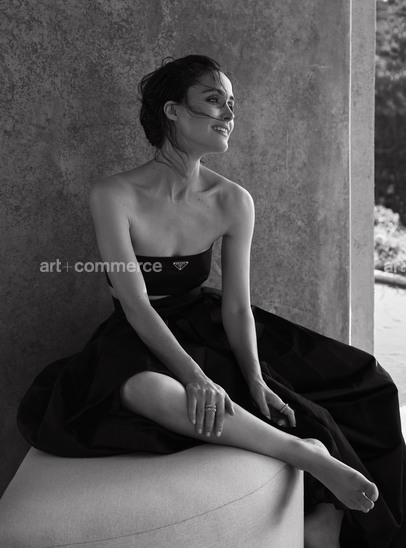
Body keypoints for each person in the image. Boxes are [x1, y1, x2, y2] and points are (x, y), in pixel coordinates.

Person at [18, 55, 405, 548]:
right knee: (144, 390)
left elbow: (237, 307)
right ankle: (304, 453)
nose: (229, 113)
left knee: (364, 382)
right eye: (214, 100)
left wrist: (255, 377)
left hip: (208, 321)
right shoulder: (113, 194)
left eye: (232, 103)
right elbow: (136, 304)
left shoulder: (234, 200)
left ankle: (332, 515)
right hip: (140, 331)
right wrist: (195, 376)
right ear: (173, 110)